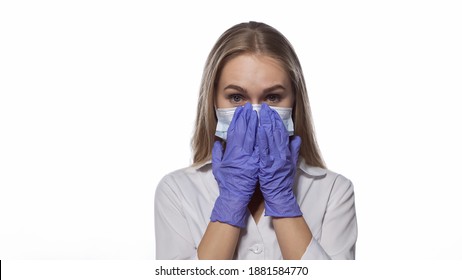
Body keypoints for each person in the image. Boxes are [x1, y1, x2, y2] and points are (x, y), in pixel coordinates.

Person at [154, 21, 357, 260]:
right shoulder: (177, 190)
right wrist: (232, 199)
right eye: (237, 97)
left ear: (294, 102)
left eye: (272, 97)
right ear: (213, 101)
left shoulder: (334, 191)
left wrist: (281, 198)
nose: (255, 113)